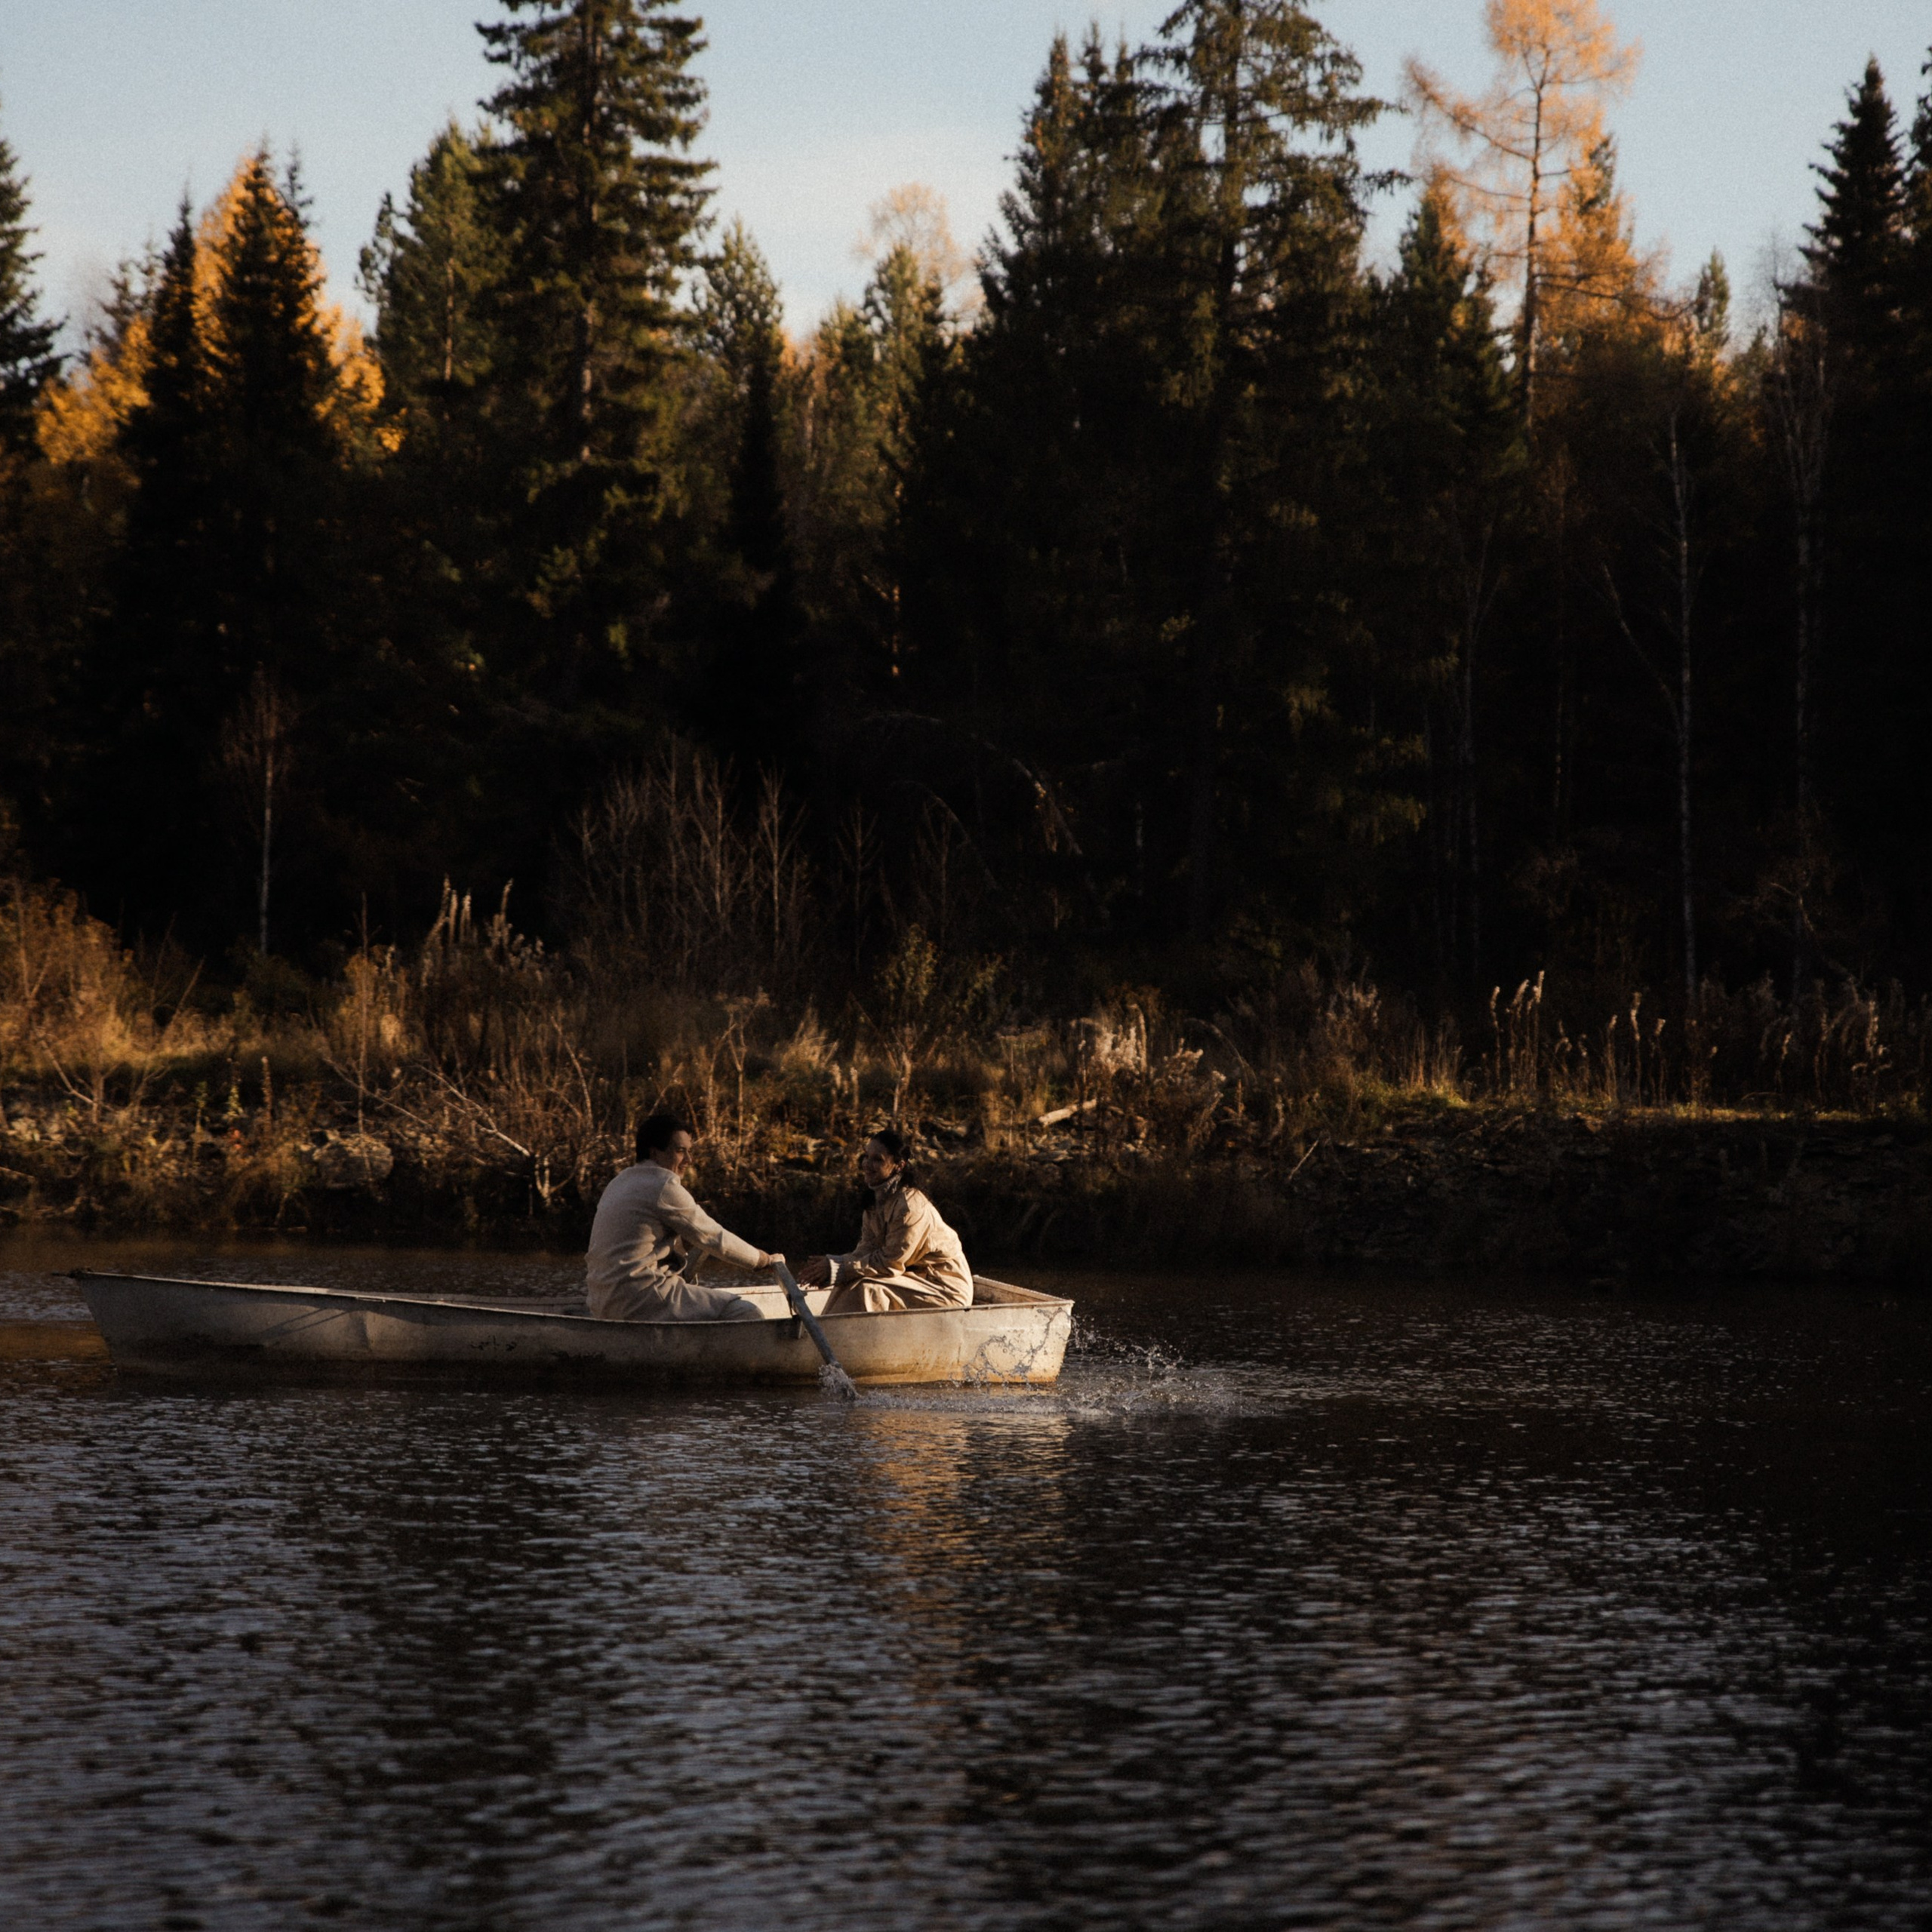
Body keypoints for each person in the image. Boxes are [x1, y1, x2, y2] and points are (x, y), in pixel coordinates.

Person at [586, 1113, 784, 1321]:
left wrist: (681, 1245)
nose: (689, 1160)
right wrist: (763, 1260)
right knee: (745, 1311)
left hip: (601, 1302)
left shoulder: (618, 1182)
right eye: (681, 1151)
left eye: (690, 1151)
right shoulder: (663, 1185)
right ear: (655, 1153)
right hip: (641, 1298)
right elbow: (712, 1237)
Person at [798, 1128, 974, 1313]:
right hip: (914, 1277)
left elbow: (890, 1262)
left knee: (867, 1289)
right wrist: (833, 1264)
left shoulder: (909, 1207)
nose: (867, 1164)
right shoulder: (875, 1202)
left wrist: (839, 1269)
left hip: (944, 1288)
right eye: (866, 1156)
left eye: (877, 1160)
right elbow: (867, 1249)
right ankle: (824, 1329)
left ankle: (832, 1331)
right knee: (848, 1281)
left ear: (899, 1165)